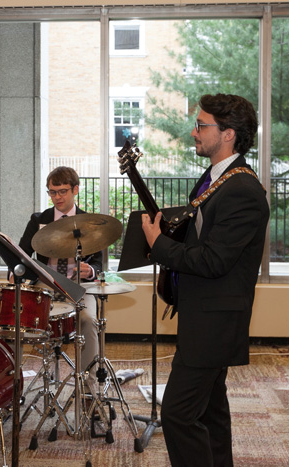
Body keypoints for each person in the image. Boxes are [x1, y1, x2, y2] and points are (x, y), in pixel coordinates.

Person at [141, 93, 269, 467]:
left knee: (178, 415)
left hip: (215, 323)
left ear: (227, 134)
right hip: (205, 316)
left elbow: (214, 260)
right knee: (211, 413)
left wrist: (160, 246)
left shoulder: (242, 190)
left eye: (201, 125)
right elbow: (204, 237)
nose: (194, 132)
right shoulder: (219, 178)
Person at [17, 166, 103, 390]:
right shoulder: (38, 220)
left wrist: (90, 271)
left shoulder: (89, 221)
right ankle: (11, 385)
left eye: (62, 191)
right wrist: (16, 271)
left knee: (88, 320)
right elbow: (21, 255)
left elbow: (100, 264)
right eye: (52, 192)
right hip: (46, 284)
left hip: (79, 286)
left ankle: (88, 387)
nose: (57, 197)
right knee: (11, 318)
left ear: (76, 189)